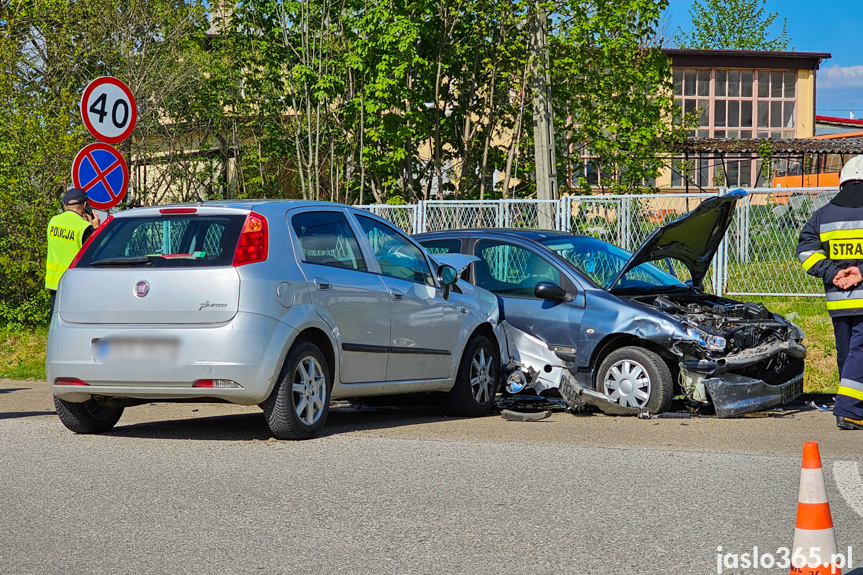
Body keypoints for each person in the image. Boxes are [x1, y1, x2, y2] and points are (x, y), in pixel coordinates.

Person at [797, 155, 863, 430]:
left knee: (848, 352)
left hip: (839, 299)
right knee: (860, 354)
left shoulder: (823, 214)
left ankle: (847, 404)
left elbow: (805, 251)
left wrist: (832, 272)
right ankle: (849, 410)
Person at [45, 188, 101, 315]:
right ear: (85, 205)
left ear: (65, 206)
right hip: (76, 284)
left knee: (58, 321)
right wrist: (96, 228)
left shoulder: (53, 221)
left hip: (54, 283)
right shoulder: (84, 227)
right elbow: (97, 252)